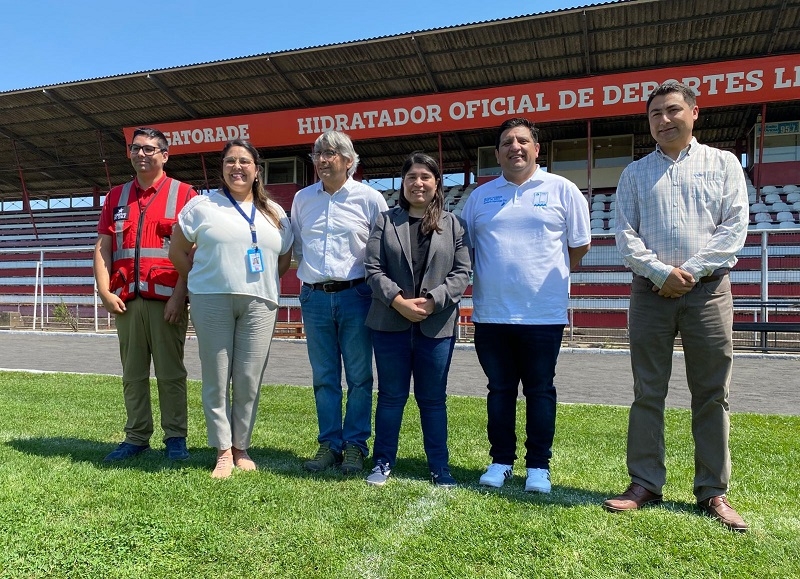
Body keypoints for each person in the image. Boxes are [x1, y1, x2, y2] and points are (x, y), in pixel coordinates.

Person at [604, 81, 750, 532]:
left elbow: (734, 228)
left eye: (672, 111)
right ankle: (644, 482)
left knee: (711, 393)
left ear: (694, 112)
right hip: (650, 295)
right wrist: (659, 273)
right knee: (648, 391)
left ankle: (713, 491)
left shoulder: (723, 164)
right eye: (655, 115)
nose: (663, 120)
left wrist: (684, 271)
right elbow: (625, 236)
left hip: (708, 292)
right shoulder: (634, 173)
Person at [461, 118, 591, 493]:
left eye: (522, 141)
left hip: (542, 314)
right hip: (492, 313)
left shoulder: (563, 190)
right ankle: (501, 460)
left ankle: (538, 466)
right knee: (499, 390)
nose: (514, 147)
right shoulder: (480, 198)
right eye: (506, 142)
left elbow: (578, 247)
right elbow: (465, 249)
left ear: (536, 148)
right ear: (498, 152)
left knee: (539, 390)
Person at [169, 140, 293, 479]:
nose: (237, 167)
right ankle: (223, 450)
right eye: (229, 161)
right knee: (217, 376)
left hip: (260, 302)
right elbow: (177, 253)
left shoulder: (276, 213)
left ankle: (242, 447)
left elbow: (281, 261)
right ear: (222, 168)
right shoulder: (201, 206)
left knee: (249, 379)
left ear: (256, 170)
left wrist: (258, 282)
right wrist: (198, 283)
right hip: (212, 300)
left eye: (244, 161)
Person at [363, 153, 471, 488]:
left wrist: (432, 300)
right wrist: (397, 301)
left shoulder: (454, 224)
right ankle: (382, 461)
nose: (418, 183)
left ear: (437, 183)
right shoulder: (385, 221)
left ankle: (440, 466)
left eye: (425, 176)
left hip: (435, 325)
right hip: (390, 323)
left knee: (433, 399)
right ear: (403, 183)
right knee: (392, 396)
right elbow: (372, 269)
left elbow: (462, 272)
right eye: (411, 176)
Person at [93, 127, 196, 462]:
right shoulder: (116, 197)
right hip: (127, 302)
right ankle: (136, 436)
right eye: (136, 148)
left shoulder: (185, 195)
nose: (141, 154)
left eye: (150, 149)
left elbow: (193, 254)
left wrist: (180, 296)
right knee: (133, 374)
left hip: (168, 302)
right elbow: (102, 248)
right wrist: (104, 292)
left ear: (164, 155)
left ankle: (176, 438)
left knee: (170, 373)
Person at [291, 130, 388, 474]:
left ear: (349, 160)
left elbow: (382, 249)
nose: (321, 160)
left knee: (360, 377)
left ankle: (356, 446)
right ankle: (329, 444)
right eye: (317, 153)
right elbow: (299, 246)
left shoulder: (370, 199)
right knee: (324, 377)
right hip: (314, 297)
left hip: (357, 295)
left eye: (330, 153)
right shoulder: (303, 199)